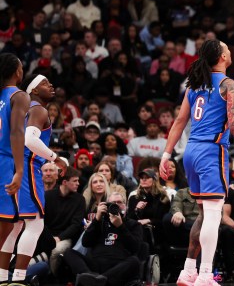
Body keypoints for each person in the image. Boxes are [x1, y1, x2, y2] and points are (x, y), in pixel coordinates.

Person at [158, 39, 234, 286]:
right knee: (213, 217)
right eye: (226, 47)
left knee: (204, 215)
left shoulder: (195, 85)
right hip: (212, 151)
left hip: (191, 151)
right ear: (222, 57)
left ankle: (188, 272)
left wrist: (166, 154)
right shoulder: (230, 85)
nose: (229, 48)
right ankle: (205, 275)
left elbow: (180, 121)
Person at [0, 74, 66, 285]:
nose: (51, 85)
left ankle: (2, 278)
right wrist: (56, 158)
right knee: (35, 224)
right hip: (27, 166)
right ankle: (18, 279)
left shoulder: (25, 108)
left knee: (15, 225)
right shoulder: (38, 108)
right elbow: (29, 139)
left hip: (13, 165)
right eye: (45, 83)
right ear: (34, 90)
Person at [63, 191, 143, 286]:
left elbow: (135, 248)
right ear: (106, 206)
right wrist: (96, 219)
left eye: (119, 202)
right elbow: (86, 243)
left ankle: (94, 281)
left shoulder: (133, 224)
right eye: (112, 203)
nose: (116, 205)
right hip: (95, 266)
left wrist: (120, 226)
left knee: (134, 261)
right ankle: (93, 277)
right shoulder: (100, 222)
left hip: (118, 266)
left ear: (125, 206)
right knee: (69, 252)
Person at [0, 53, 30, 285]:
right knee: (7, 221)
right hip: (5, 162)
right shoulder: (19, 96)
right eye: (21, 66)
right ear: (16, 72)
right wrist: (20, 170)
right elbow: (17, 132)